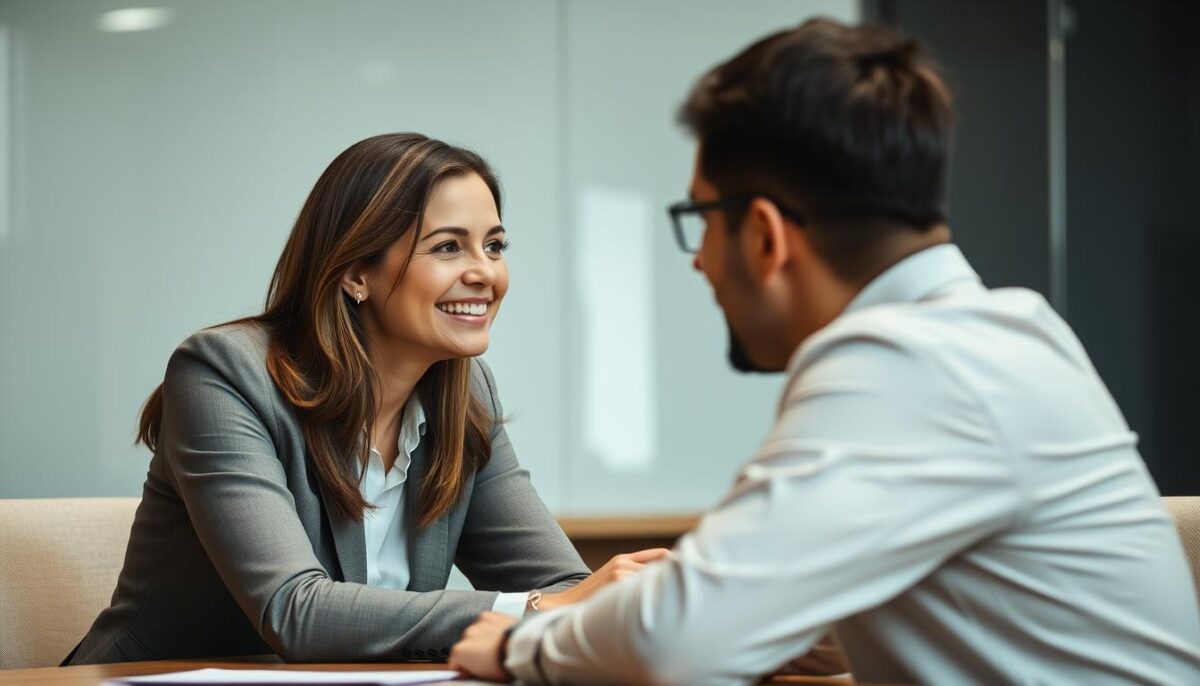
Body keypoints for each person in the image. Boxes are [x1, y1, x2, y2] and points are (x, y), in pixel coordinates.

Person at [448, 19, 1200, 685]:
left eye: (701, 221)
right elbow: (793, 621)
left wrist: (526, 642)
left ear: (766, 236)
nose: (699, 261)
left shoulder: (905, 363)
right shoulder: (1010, 331)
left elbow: (677, 645)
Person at [65, 133, 667, 664]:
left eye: (495, 246)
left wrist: (621, 601)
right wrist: (537, 608)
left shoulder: (465, 395)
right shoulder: (223, 374)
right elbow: (295, 611)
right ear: (355, 272)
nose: (486, 272)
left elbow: (562, 584)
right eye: (448, 247)